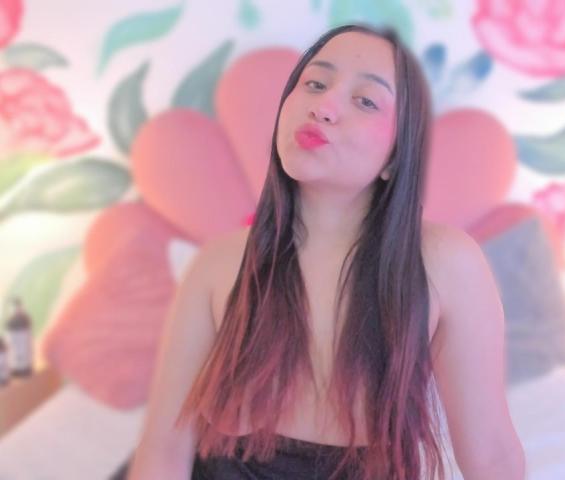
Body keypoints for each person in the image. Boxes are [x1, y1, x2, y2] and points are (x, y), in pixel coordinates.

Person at [127, 23, 526, 480]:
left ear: (396, 157)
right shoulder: (218, 265)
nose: (323, 106)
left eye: (366, 100)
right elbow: (163, 450)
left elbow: (492, 456)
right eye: (315, 83)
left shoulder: (446, 263)